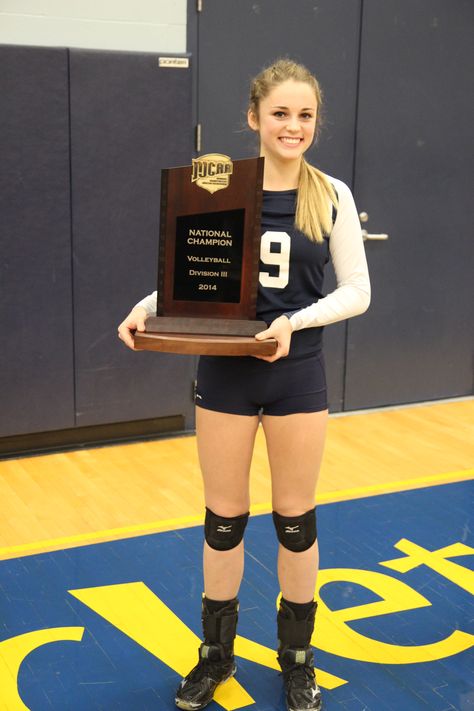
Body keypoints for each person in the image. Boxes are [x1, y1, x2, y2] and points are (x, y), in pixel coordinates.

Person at [118, 58, 370, 711]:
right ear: (253, 117)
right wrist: (149, 305)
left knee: (295, 521)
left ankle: (297, 659)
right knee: (223, 520)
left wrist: (294, 320)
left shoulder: (331, 193)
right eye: (280, 113)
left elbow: (357, 292)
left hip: (297, 372)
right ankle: (217, 655)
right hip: (225, 371)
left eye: (305, 114)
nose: (293, 126)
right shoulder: (219, 184)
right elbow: (196, 275)